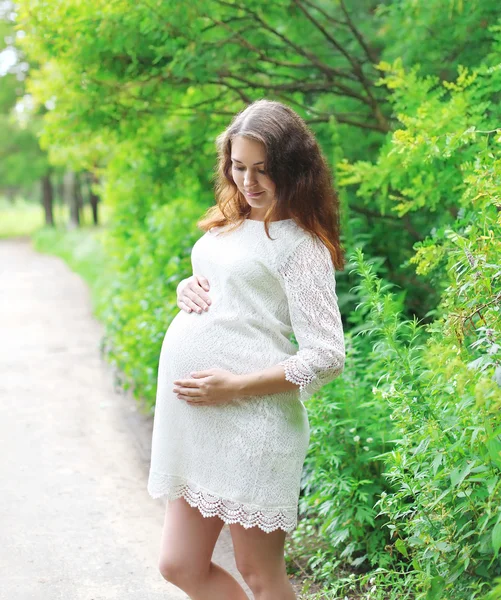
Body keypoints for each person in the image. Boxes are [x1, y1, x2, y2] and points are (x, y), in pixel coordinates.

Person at [147, 98, 346, 600]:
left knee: (260, 574)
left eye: (263, 170)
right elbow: (232, 291)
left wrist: (234, 387)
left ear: (293, 168)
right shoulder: (230, 219)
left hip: (252, 421)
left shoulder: (302, 246)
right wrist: (186, 288)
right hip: (198, 420)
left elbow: (327, 354)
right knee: (179, 565)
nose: (249, 182)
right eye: (238, 167)